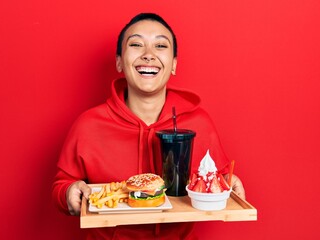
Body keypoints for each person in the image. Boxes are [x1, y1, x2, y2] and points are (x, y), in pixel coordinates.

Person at [52, 12, 245, 239]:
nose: (148, 55)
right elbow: (62, 185)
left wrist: (229, 183)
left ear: (173, 64)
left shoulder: (199, 122)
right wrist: (68, 193)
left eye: (160, 46)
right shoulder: (88, 125)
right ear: (118, 61)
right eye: (136, 44)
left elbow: (219, 179)